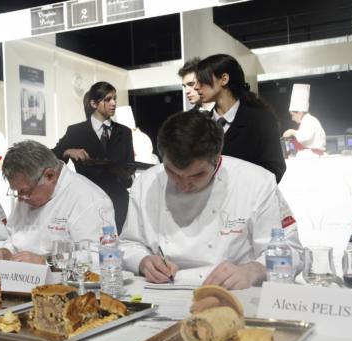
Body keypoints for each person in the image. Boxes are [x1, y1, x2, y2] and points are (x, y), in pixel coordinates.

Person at [120, 110, 302, 290]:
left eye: (197, 175)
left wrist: (253, 270)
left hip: (234, 294)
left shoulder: (257, 182)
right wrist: (143, 261)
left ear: (217, 157)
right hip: (162, 289)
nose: (184, 185)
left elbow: (292, 251)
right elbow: (129, 244)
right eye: (172, 173)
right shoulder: (146, 183)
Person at [0, 140, 115, 267]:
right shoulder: (27, 194)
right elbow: (13, 238)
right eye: (17, 192)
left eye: (25, 191)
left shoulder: (90, 199)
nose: (20, 199)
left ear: (50, 175)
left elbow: (103, 256)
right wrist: (4, 252)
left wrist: (46, 261)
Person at [52, 81, 134, 233]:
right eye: (108, 99)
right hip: (87, 202)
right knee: (90, 245)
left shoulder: (125, 132)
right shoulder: (76, 131)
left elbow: (130, 166)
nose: (114, 103)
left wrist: (127, 175)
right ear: (94, 103)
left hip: (119, 201)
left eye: (115, 98)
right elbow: (50, 158)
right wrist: (67, 151)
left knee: (121, 247)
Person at [195, 54, 286, 183]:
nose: (196, 87)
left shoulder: (260, 119)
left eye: (202, 80)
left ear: (224, 79)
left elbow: (274, 169)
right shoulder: (201, 125)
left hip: (248, 199)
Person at [282, 83, 326, 156]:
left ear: (300, 113)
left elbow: (305, 137)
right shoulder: (305, 121)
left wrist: (292, 131)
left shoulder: (310, 121)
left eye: (293, 115)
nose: (292, 119)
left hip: (313, 156)